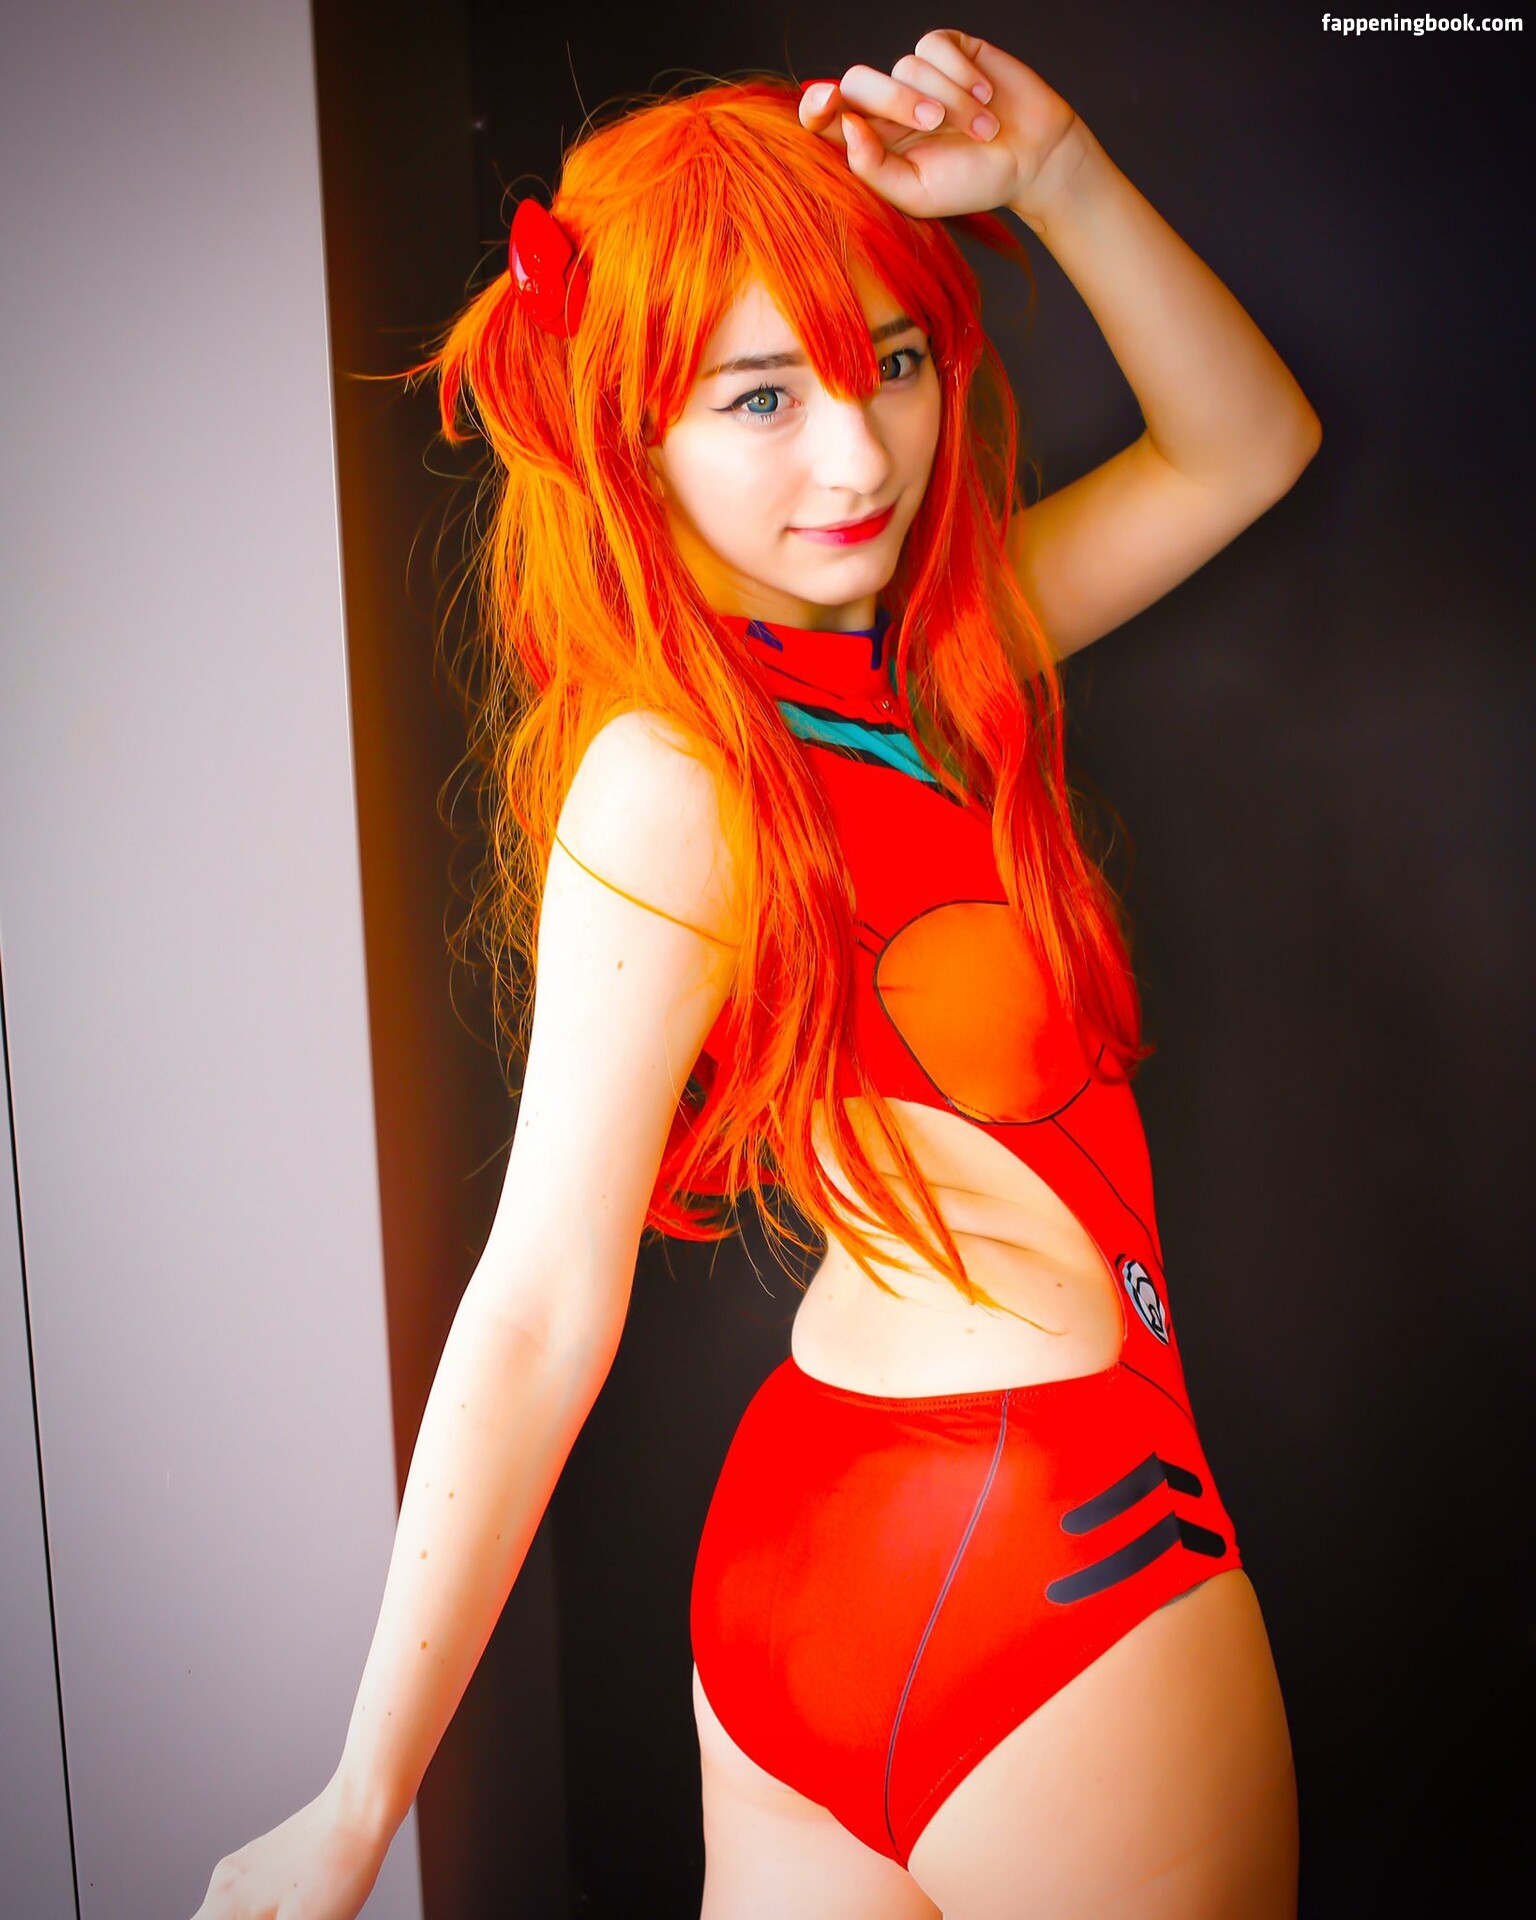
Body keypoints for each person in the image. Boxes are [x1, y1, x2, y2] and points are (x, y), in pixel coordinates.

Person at [195, 29, 1318, 1920]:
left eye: (891, 363)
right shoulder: (681, 778)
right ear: (631, 430)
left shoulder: (932, 668)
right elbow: (541, 1297)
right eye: (761, 396)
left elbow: (1245, 448)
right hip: (1052, 1539)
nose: (858, 454)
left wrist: (1056, 173)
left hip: (838, 1544)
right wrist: (358, 1800)